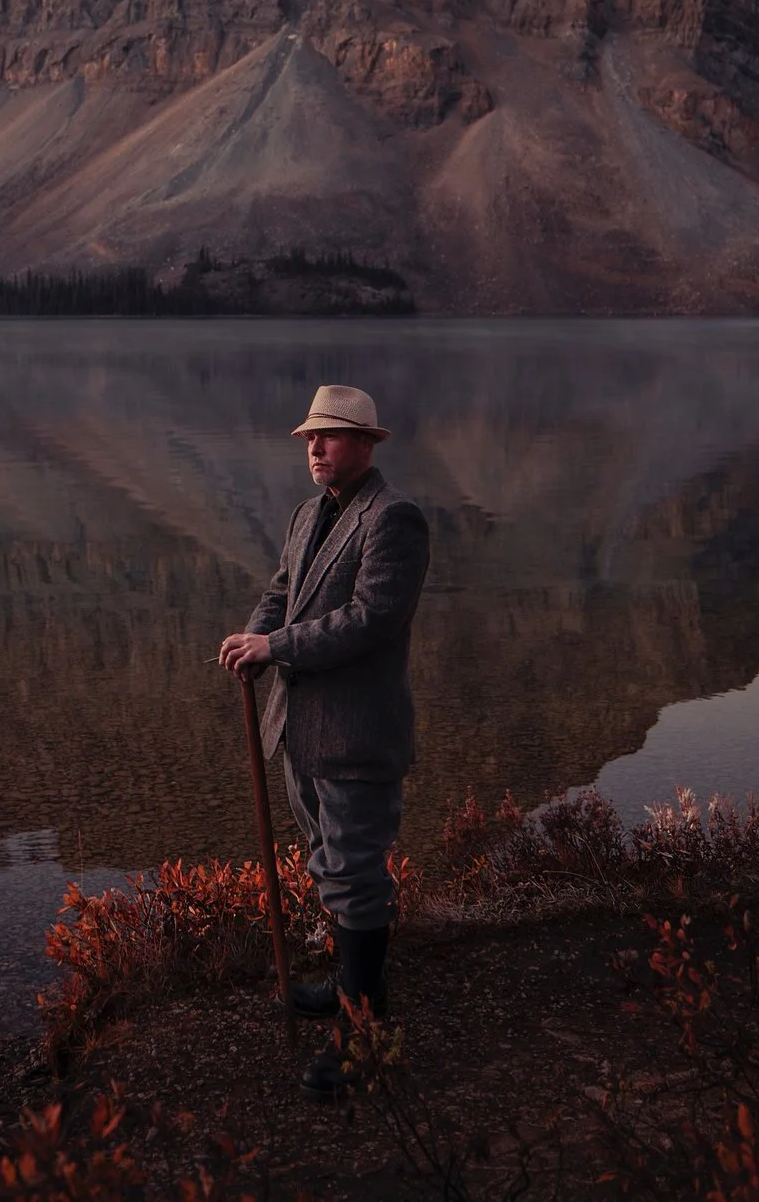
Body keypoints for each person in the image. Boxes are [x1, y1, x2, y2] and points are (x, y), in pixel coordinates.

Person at [218, 383, 430, 1099]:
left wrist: (274, 646)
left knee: (355, 874)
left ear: (367, 444)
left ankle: (363, 1026)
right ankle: (349, 987)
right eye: (310, 436)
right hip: (300, 728)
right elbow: (283, 589)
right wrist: (254, 632)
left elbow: (372, 619)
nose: (315, 448)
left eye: (330, 436)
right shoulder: (309, 513)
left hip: (357, 733)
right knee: (326, 862)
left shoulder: (394, 518)